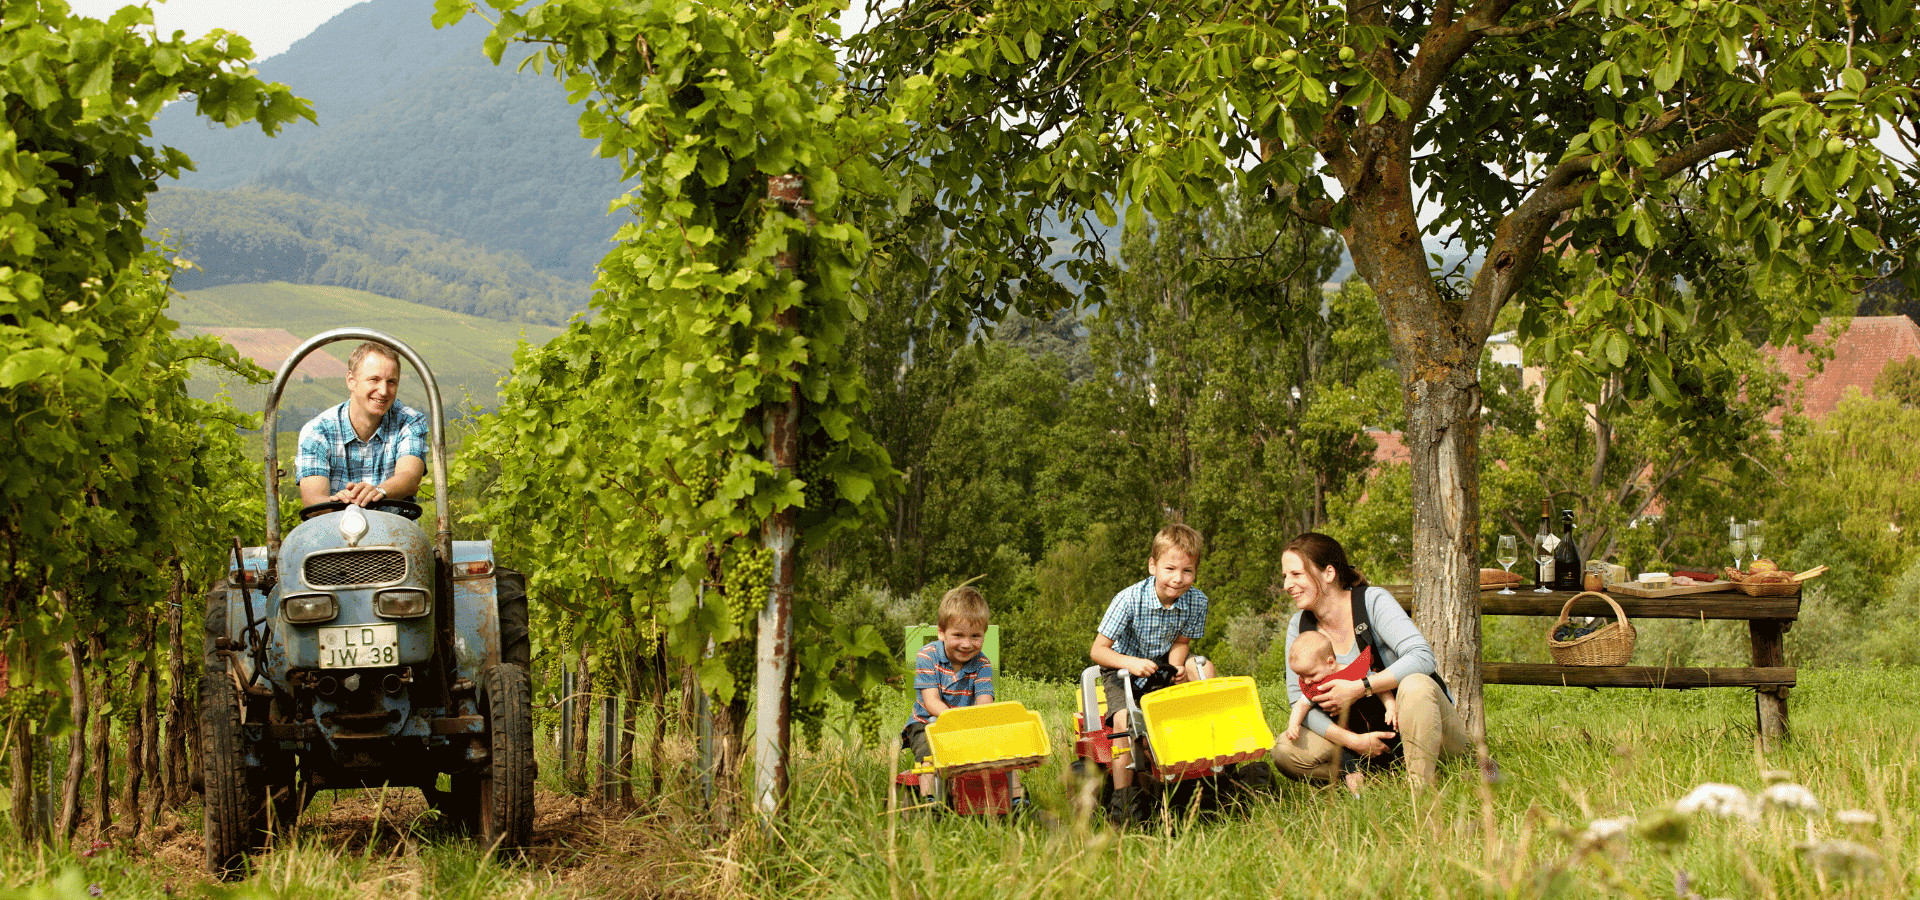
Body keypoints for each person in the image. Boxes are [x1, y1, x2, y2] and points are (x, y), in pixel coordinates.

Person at [1274, 532, 1468, 787]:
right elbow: (1297, 698)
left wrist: (1360, 688)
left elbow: (1422, 657)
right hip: (1360, 741)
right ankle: (1373, 780)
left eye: (1296, 574)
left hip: (1428, 729)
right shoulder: (1299, 626)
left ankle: (1420, 787)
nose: (1288, 584)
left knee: (1415, 685)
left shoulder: (1372, 601)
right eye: (1285, 576)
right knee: (1285, 752)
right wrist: (1352, 741)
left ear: (1329, 573)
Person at [1089, 523, 1214, 824]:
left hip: (1162, 666)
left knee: (1205, 667)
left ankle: (1200, 767)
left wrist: (1178, 666)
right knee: (1123, 719)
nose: (1178, 578)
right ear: (1153, 565)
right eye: (1170, 568)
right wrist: (1130, 663)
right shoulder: (1129, 599)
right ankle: (1123, 798)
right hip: (1122, 668)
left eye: (1187, 571)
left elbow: (1182, 642)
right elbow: (1098, 651)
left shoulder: (1197, 601)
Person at [901, 586, 1025, 813]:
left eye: (975, 636)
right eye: (958, 635)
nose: (967, 644)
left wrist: (976, 723)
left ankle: (1016, 799)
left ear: (983, 636)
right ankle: (931, 803)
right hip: (927, 723)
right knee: (930, 755)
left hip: (968, 725)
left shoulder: (982, 664)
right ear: (941, 632)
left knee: (1003, 750)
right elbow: (931, 702)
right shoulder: (927, 655)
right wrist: (956, 720)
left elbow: (984, 701)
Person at [297, 341, 429, 508]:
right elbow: (312, 500)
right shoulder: (317, 431)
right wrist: (341, 502)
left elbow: (409, 477)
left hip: (395, 530)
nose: (383, 391)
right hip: (335, 530)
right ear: (351, 380)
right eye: (374, 379)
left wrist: (379, 492)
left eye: (391, 382)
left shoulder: (409, 421)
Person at [1282, 629, 1398, 795]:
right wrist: (1293, 724)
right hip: (1346, 734)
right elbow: (1302, 704)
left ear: (1330, 663)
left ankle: (1397, 773)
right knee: (1346, 760)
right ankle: (1359, 792)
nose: (1306, 681)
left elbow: (1380, 687)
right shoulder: (1314, 685)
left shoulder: (1353, 672)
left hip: (1376, 722)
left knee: (1392, 745)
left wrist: (1391, 706)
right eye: (1300, 676)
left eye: (1310, 674)